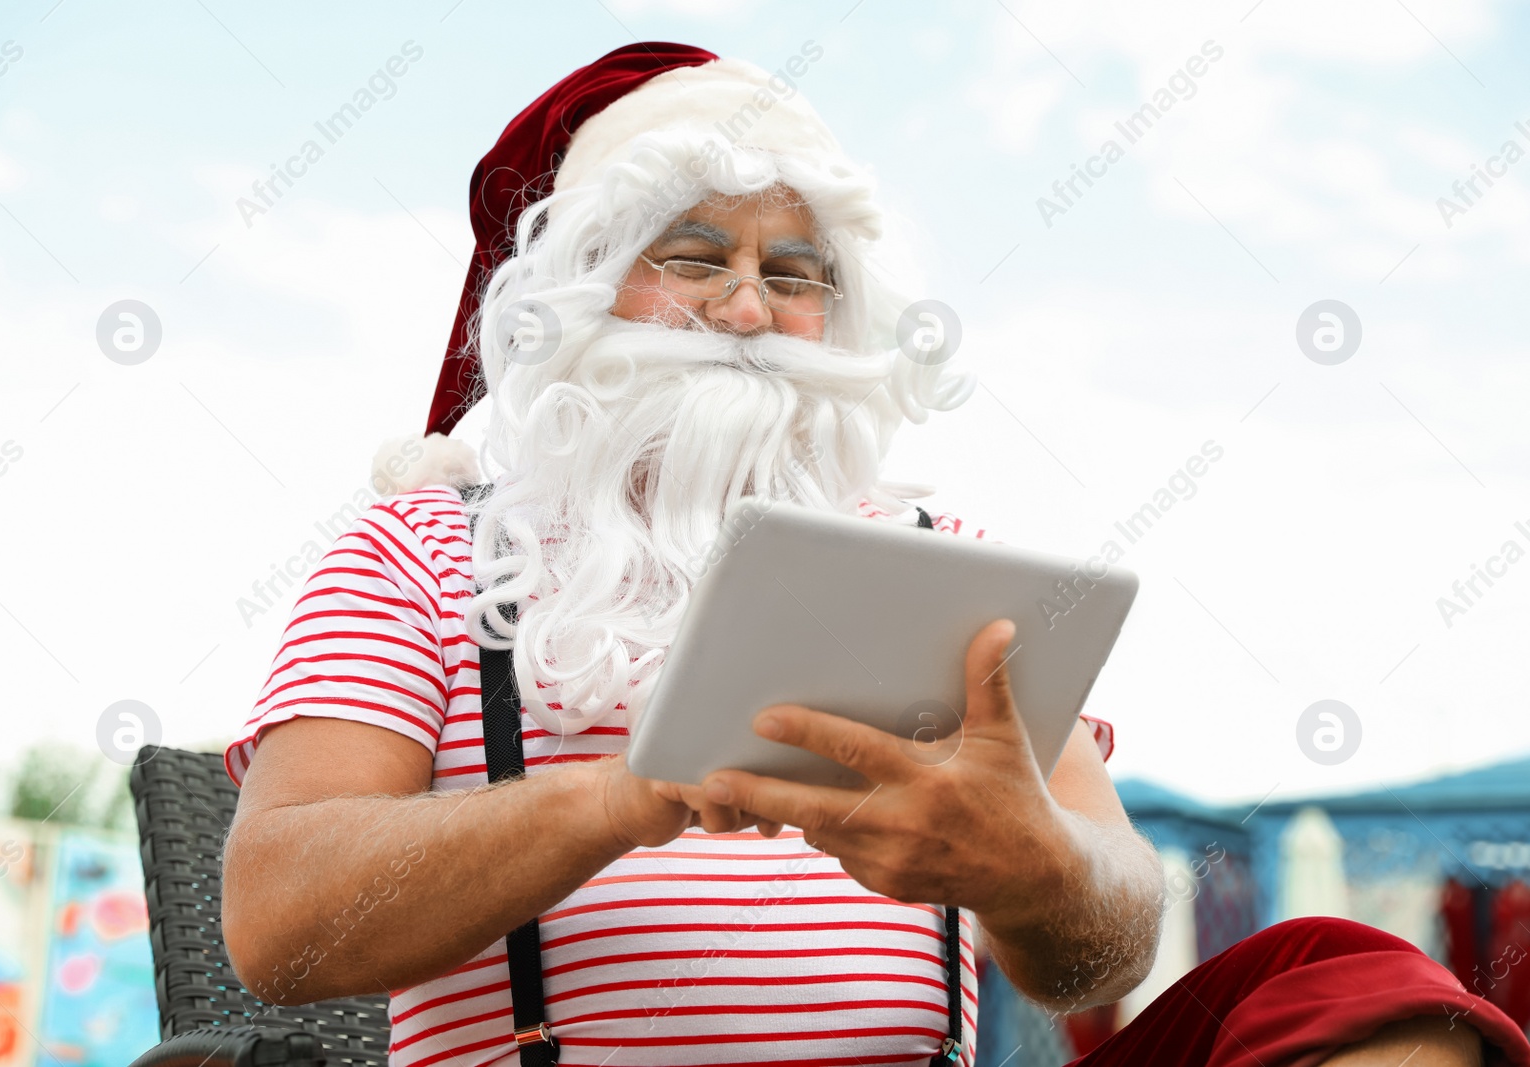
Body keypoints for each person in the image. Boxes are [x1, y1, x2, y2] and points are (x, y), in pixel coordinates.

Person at [220, 43, 1530, 1067]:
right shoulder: (424, 550)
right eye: (695, 258)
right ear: (577, 293)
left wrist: (1039, 866)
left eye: (796, 275)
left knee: (1376, 1000)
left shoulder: (939, 559)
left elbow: (1106, 943)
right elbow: (275, 928)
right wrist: (625, 795)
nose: (749, 310)